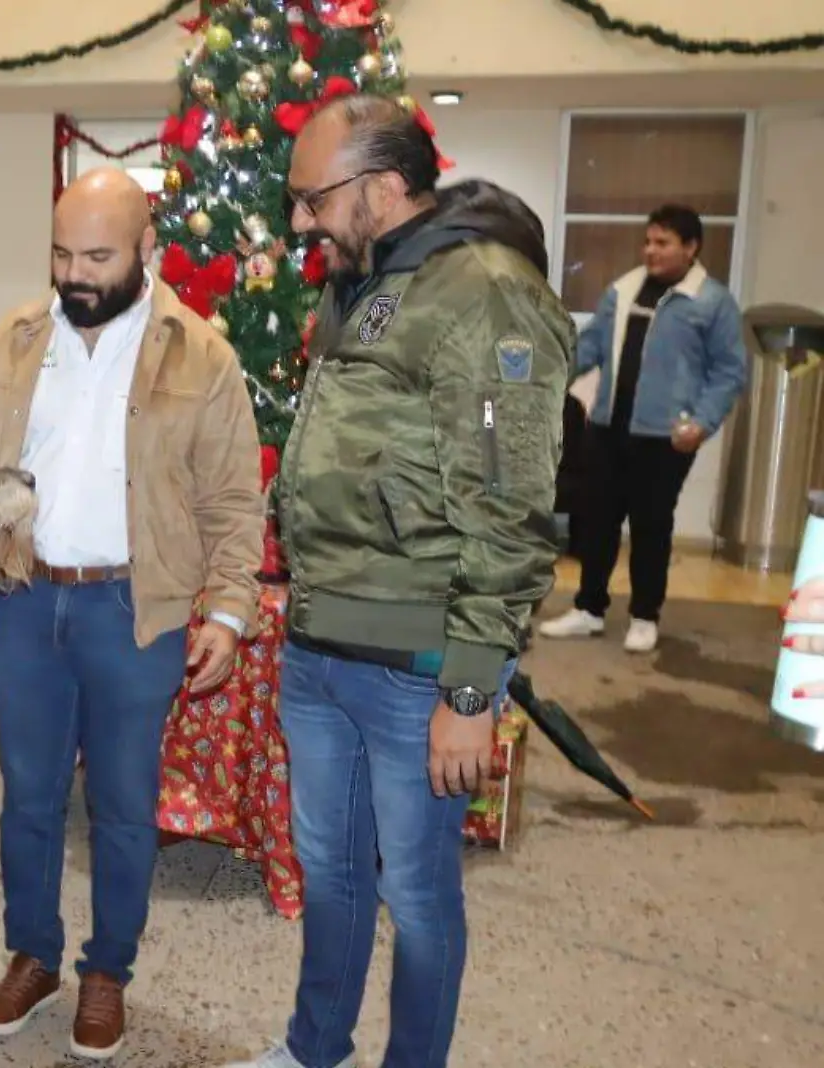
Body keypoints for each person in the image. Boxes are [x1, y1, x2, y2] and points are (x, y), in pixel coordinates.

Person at [224, 95, 572, 1068]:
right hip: (320, 650)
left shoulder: (483, 293)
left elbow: (509, 513)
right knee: (330, 876)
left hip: (419, 669)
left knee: (418, 897)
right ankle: (313, 1048)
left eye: (312, 200)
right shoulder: (359, 279)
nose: (300, 223)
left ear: (382, 186)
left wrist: (469, 693)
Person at [0, 167, 263, 1060]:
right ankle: (34, 956)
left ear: (145, 251)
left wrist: (230, 613)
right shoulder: (14, 339)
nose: (75, 273)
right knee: (29, 799)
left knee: (124, 806)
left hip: (136, 609)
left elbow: (237, 502)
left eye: (97, 254)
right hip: (24, 598)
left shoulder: (202, 358)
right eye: (60, 252)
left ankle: (107, 969)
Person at [536, 204, 748, 653]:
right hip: (609, 424)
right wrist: (549, 379)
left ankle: (644, 616)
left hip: (665, 435)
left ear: (691, 248)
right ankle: (589, 609)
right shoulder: (624, 290)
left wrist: (703, 422)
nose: (650, 250)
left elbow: (729, 372)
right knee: (596, 521)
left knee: (651, 526)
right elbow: (590, 346)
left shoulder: (711, 302)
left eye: (663, 242)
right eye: (648, 241)